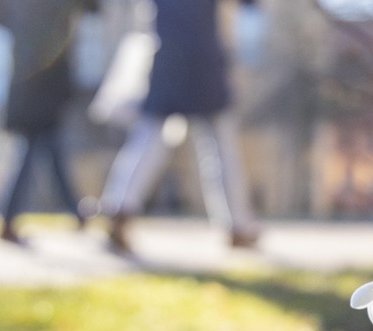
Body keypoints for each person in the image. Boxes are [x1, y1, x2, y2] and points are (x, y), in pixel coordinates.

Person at [99, 0, 261, 253]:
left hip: (168, 55)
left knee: (148, 138)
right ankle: (238, 225)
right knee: (220, 147)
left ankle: (120, 208)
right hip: (202, 59)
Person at [0, 0, 92, 245]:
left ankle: (74, 211)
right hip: (41, 83)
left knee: (48, 149)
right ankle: (8, 219)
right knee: (37, 149)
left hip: (35, 81)